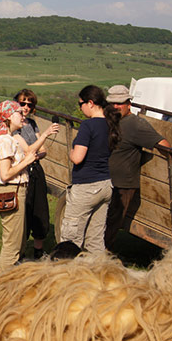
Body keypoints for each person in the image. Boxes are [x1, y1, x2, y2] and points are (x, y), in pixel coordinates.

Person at [0, 101, 58, 275]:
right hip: (12, 191)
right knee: (13, 246)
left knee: (16, 242)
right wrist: (26, 162)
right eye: (19, 113)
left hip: (12, 191)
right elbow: (5, 174)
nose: (23, 116)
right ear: (9, 117)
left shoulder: (3, 135)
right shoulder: (4, 140)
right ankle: (0, 284)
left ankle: (1, 278)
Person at [104, 85, 172, 248]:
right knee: (99, 222)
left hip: (122, 185)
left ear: (129, 104)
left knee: (111, 224)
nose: (115, 107)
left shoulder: (136, 124)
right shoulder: (110, 120)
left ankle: (101, 258)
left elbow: (160, 142)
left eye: (120, 103)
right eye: (112, 103)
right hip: (104, 180)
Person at [59, 85, 121, 253]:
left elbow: (77, 158)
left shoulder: (88, 126)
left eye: (81, 104)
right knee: (95, 240)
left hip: (86, 186)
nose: (80, 108)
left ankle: (67, 275)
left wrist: (71, 151)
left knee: (70, 240)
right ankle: (99, 275)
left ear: (91, 103)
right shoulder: (110, 124)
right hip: (105, 185)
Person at [13, 89, 51, 259]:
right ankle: (19, 252)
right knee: (24, 210)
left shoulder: (32, 124)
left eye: (30, 104)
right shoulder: (14, 126)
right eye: (23, 103)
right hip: (22, 171)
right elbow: (29, 149)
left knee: (40, 208)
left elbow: (43, 151)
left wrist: (36, 149)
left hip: (36, 170)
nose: (26, 107)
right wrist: (44, 136)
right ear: (16, 103)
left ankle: (38, 250)